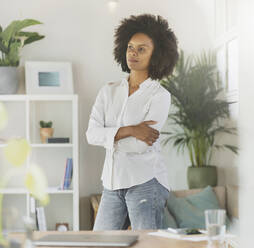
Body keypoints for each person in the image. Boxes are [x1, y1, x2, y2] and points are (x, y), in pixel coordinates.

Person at [86, 14, 178, 230]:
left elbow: (138, 146)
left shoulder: (159, 96)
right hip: (111, 183)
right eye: (130, 47)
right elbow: (91, 134)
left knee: (146, 245)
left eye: (142, 49)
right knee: (101, 244)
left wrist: (109, 136)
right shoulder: (108, 91)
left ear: (157, 54)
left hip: (146, 182)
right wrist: (131, 129)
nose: (133, 53)